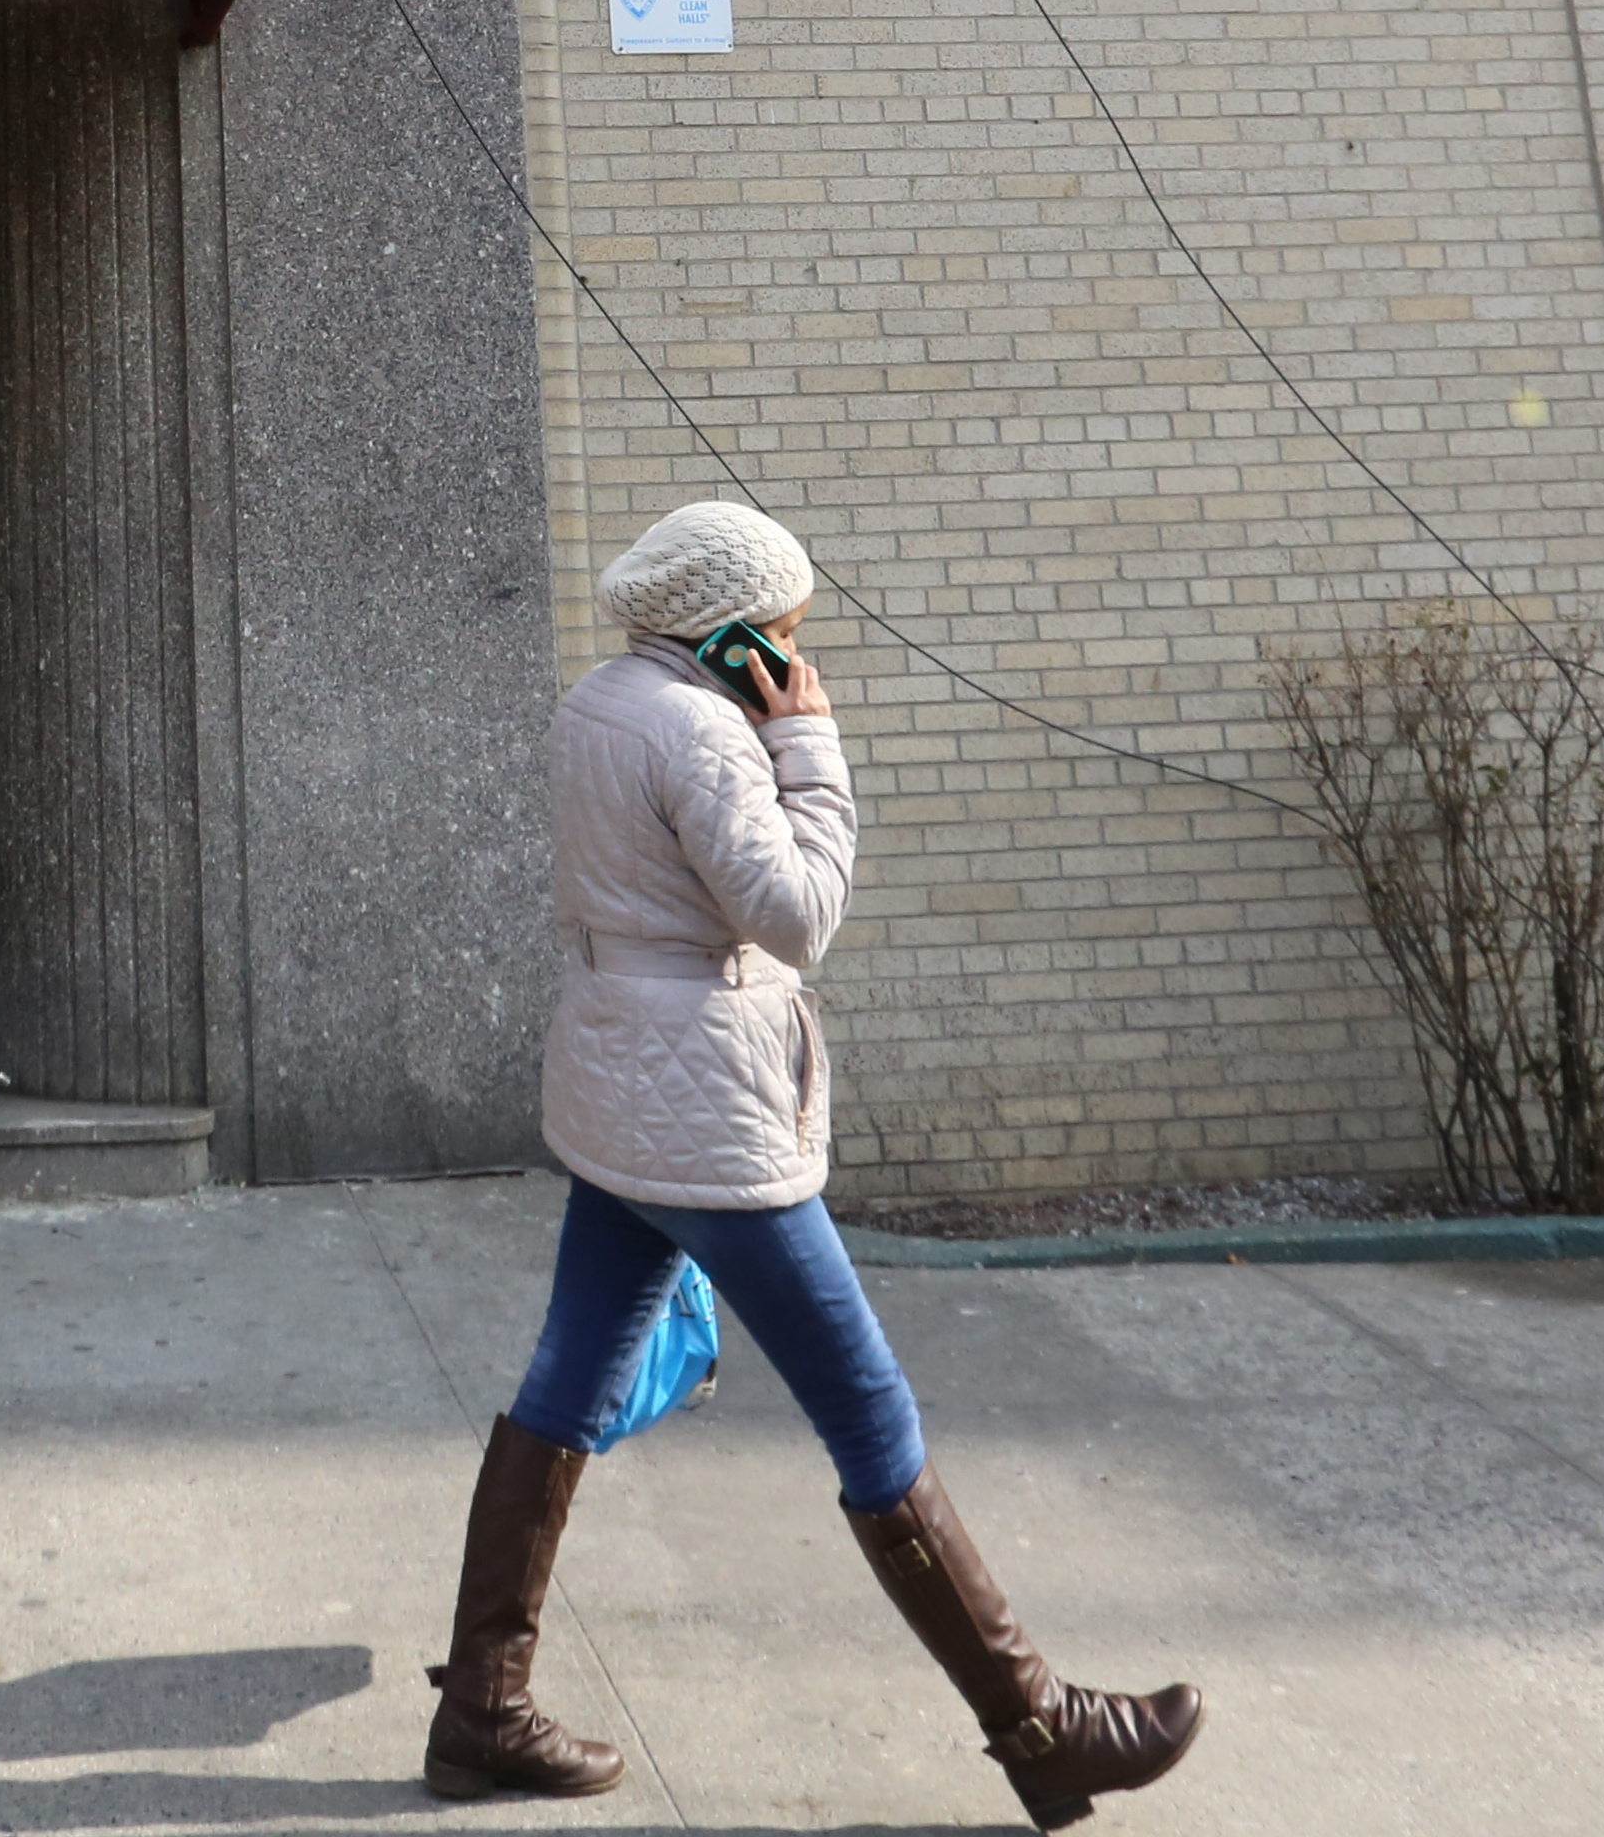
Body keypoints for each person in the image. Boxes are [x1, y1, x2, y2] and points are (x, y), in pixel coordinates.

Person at [423, 500, 1204, 1824]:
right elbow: (798, 917)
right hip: (707, 1112)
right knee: (870, 1411)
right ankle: (1043, 1730)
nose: (797, 651)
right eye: (782, 631)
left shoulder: (597, 704)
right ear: (728, 636)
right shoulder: (711, 732)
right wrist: (810, 745)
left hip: (620, 1080)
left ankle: (482, 1710)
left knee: (569, 1379)